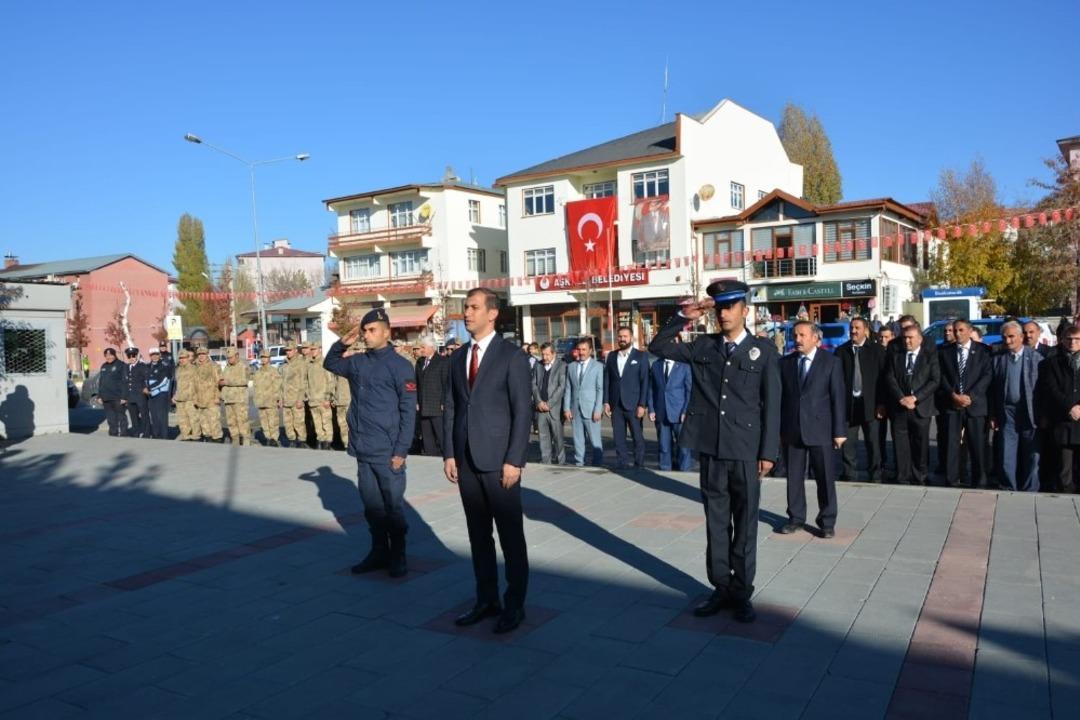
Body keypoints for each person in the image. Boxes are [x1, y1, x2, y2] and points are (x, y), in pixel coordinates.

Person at [648, 279, 780, 624]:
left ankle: (741, 592)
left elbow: (773, 405)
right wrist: (683, 316)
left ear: (744, 310)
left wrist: (768, 452)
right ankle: (720, 587)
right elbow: (657, 345)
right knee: (716, 524)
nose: (723, 313)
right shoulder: (703, 346)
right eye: (719, 307)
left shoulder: (763, 352)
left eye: (730, 306)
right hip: (712, 449)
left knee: (746, 524)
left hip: (746, 451)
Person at [443, 288, 533, 634]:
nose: (467, 313)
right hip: (466, 462)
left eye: (473, 307)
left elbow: (522, 411)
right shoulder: (458, 357)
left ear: (492, 314)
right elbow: (452, 406)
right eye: (465, 307)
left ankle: (515, 604)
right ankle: (486, 599)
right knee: (478, 537)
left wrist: (515, 459)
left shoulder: (511, 356)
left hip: (500, 463)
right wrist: (450, 453)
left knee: (511, 537)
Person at [325, 308, 417, 577]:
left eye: (372, 330)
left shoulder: (401, 366)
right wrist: (342, 342)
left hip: (388, 452)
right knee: (372, 508)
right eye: (364, 331)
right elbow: (330, 363)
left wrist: (401, 450)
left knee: (393, 508)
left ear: (387, 332)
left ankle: (398, 554)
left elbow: (408, 411)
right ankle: (379, 552)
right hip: (363, 449)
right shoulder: (357, 363)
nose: (366, 335)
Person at [778, 322, 846, 537]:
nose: (797, 339)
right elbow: (781, 398)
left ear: (816, 338)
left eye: (802, 335)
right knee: (794, 478)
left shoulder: (831, 362)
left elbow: (838, 398)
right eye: (795, 335)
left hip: (821, 429)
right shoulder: (786, 363)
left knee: (825, 477)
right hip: (792, 429)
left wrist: (839, 431)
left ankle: (827, 522)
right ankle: (796, 518)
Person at [938, 319, 991, 488]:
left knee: (977, 444)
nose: (957, 333)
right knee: (951, 443)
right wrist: (953, 395)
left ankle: (979, 479)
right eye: (955, 330)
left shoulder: (983, 351)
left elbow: (987, 375)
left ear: (969, 331)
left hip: (975, 405)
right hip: (953, 404)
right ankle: (952, 479)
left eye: (961, 330)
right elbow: (941, 376)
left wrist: (971, 396)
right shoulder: (945, 351)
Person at [885, 323, 939, 485]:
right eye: (905, 338)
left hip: (920, 407)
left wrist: (915, 398)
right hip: (900, 407)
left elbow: (935, 380)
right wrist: (901, 397)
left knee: (920, 444)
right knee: (900, 443)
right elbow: (890, 377)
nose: (907, 341)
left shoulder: (929, 356)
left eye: (911, 338)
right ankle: (902, 475)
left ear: (920, 339)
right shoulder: (897, 355)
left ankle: (919, 475)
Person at [991, 321, 1042, 492]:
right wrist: (993, 414)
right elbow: (992, 389)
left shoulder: (1036, 358)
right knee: (1007, 452)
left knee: (1032, 454)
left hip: (1030, 412)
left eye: (1012, 336)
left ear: (1021, 337)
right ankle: (1008, 486)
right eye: (1004, 337)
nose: (1008, 341)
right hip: (1007, 412)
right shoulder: (998, 359)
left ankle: (1030, 488)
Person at [836, 318, 886, 483]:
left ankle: (876, 475)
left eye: (857, 328)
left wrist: (881, 403)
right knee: (848, 444)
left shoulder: (877, 351)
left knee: (873, 443)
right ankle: (849, 474)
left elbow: (884, 379)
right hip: (849, 406)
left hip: (871, 405)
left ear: (866, 330)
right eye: (851, 328)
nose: (853, 331)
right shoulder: (841, 351)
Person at [1035, 324, 1080, 494]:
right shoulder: (1052, 362)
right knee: (1064, 465)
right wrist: (1069, 407)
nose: (1072, 343)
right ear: (1062, 340)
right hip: (1063, 418)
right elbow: (1051, 388)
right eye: (1069, 339)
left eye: (1077, 339)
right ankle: (1066, 495)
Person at [603, 326, 650, 469]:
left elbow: (645, 381)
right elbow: (607, 380)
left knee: (637, 437)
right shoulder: (611, 356)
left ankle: (639, 464)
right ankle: (622, 463)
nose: (622, 339)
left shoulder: (641, 356)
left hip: (634, 404)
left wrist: (642, 404)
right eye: (620, 336)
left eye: (625, 336)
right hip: (616, 404)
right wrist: (606, 402)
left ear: (631, 338)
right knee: (618, 438)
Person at [647, 340, 692, 471]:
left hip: (679, 413)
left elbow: (689, 390)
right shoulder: (656, 365)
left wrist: (686, 411)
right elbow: (651, 389)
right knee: (664, 446)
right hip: (661, 412)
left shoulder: (684, 366)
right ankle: (665, 470)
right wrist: (651, 409)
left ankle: (685, 471)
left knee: (683, 447)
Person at [563, 337, 605, 467]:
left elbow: (600, 389)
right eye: (579, 349)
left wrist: (598, 409)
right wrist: (566, 408)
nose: (581, 352)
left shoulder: (598, 366)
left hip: (592, 410)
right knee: (578, 439)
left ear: (590, 351)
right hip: (575, 409)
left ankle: (597, 464)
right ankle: (579, 463)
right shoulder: (571, 366)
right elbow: (568, 388)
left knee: (595, 440)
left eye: (584, 349)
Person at [533, 342, 567, 465]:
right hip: (540, 408)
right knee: (543, 437)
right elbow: (534, 385)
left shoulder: (562, 365)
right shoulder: (538, 365)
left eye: (547, 354)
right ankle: (546, 461)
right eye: (543, 354)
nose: (545, 357)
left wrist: (549, 403)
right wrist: (539, 401)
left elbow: (561, 386)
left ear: (554, 354)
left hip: (554, 409)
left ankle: (561, 462)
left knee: (558, 438)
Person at [415, 338, 449, 456]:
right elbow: (417, 384)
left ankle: (447, 456)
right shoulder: (419, 362)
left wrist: (444, 402)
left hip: (437, 405)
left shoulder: (442, 362)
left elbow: (446, 384)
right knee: (426, 435)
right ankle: (430, 456)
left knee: (441, 434)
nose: (421, 350)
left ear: (432, 348)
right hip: (423, 405)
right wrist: (416, 401)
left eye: (423, 347)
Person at [219, 347, 252, 446]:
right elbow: (223, 380)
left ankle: (246, 440)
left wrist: (227, 382)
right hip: (228, 399)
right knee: (231, 422)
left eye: (231, 357)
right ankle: (235, 439)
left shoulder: (243, 366)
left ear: (237, 356)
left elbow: (244, 381)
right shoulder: (227, 367)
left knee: (242, 421)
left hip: (239, 399)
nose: (229, 359)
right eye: (228, 358)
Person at [307, 342, 334, 450]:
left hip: (323, 400)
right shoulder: (310, 365)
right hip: (313, 400)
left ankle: (328, 441)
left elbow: (330, 382)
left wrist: (328, 398)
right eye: (312, 349)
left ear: (320, 349)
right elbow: (307, 382)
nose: (313, 351)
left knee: (326, 422)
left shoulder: (325, 363)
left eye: (315, 349)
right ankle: (320, 440)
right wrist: (308, 395)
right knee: (317, 423)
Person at [252, 349, 282, 446]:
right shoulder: (258, 372)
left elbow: (278, 386)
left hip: (271, 401)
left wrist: (278, 399)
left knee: (273, 422)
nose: (264, 359)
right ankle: (268, 438)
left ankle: (274, 438)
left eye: (265, 357)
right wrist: (256, 399)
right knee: (264, 422)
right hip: (261, 401)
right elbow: (255, 387)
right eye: (262, 357)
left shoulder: (273, 371)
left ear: (269, 359)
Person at [281, 342, 308, 448]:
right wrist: (281, 398)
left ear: (296, 350)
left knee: (299, 422)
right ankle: (291, 440)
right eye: (286, 350)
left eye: (290, 350)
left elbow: (303, 382)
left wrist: (301, 399)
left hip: (296, 398)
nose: (288, 352)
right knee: (288, 423)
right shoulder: (285, 365)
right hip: (286, 399)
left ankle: (302, 441)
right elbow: (282, 383)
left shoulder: (300, 364)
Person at [193, 347, 223, 442]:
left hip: (211, 400)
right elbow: (193, 384)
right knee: (204, 423)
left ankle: (217, 440)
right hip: (200, 400)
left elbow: (219, 382)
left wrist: (218, 397)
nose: (201, 356)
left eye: (203, 354)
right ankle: (208, 439)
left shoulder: (214, 366)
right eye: (199, 354)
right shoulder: (195, 367)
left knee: (214, 422)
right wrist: (195, 398)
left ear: (207, 354)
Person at [877, 326, 895, 475]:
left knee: (897, 435)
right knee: (879, 434)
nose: (883, 340)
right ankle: (881, 462)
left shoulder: (896, 352)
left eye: (886, 337)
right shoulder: (875, 352)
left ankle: (898, 463)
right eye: (881, 337)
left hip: (896, 399)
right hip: (880, 399)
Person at [97, 348, 127, 437]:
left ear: (115, 355)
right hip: (106, 397)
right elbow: (101, 382)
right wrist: (99, 396)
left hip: (117, 397)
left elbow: (125, 381)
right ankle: (113, 433)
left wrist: (124, 397)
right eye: (107, 356)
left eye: (111, 355)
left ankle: (123, 433)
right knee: (110, 417)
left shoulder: (121, 365)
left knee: (121, 416)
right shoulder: (104, 366)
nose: (109, 357)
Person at [145, 348, 172, 439]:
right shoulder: (148, 366)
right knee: (154, 416)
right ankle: (156, 435)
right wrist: (145, 388)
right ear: (150, 356)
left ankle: (164, 436)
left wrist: (149, 388)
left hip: (161, 395)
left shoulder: (164, 366)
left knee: (162, 417)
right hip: (151, 395)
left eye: (156, 354)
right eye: (152, 355)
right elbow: (145, 379)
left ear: (159, 355)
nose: (155, 356)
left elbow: (164, 381)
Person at [122, 347, 149, 438]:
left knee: (144, 416)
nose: (131, 358)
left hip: (140, 396)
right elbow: (124, 383)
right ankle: (136, 432)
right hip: (130, 397)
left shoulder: (142, 366)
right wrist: (124, 397)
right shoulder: (125, 367)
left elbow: (147, 379)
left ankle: (146, 433)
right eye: (129, 356)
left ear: (136, 356)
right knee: (133, 417)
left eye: (133, 356)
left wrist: (145, 388)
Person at [172, 350, 198, 441]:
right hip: (180, 398)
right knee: (182, 420)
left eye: (184, 358)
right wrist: (174, 395)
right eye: (180, 358)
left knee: (193, 419)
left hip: (190, 398)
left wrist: (196, 397)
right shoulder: (178, 370)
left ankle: (196, 436)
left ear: (188, 358)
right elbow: (177, 384)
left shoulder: (194, 368)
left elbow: (198, 384)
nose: (182, 360)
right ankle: (186, 436)